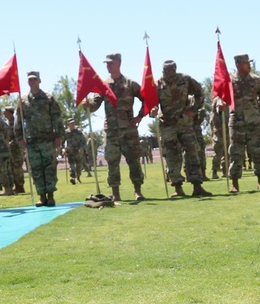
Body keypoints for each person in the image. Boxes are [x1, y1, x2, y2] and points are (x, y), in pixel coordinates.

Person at [83, 53, 145, 201]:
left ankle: (137, 191)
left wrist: (140, 116)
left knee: (134, 161)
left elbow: (147, 98)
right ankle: (116, 194)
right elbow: (95, 105)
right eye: (106, 63)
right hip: (111, 131)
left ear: (118, 63)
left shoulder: (130, 84)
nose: (108, 66)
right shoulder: (103, 85)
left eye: (110, 63)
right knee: (112, 162)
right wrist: (87, 106)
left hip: (129, 130)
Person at [156, 60, 210, 197]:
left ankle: (197, 185)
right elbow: (152, 102)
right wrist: (153, 110)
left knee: (192, 153)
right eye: (166, 72)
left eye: (171, 71)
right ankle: (177, 188)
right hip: (167, 124)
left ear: (175, 70)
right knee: (172, 156)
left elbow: (199, 92)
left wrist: (194, 109)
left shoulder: (185, 79)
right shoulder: (158, 84)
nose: (169, 75)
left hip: (185, 123)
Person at [15, 71, 63, 207]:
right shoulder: (23, 101)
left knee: (49, 168)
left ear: (39, 81)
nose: (32, 82)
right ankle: (41, 196)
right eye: (30, 80)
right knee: (36, 169)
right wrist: (19, 137)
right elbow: (18, 120)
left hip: (48, 139)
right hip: (31, 141)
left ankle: (51, 195)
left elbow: (57, 117)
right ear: (27, 82)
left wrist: (59, 135)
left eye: (35, 79)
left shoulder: (48, 98)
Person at [228, 54, 260, 193]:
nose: (249, 65)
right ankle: (234, 183)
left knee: (257, 151)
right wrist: (221, 103)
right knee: (236, 152)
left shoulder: (256, 80)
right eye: (246, 63)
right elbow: (220, 96)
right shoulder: (229, 81)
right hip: (236, 122)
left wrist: (256, 106)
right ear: (238, 65)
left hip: (253, 121)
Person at [2, 107, 26, 194]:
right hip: (9, 149)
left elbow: (19, 135)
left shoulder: (15, 122)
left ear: (10, 112)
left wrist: (11, 143)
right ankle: (16, 186)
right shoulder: (6, 122)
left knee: (17, 167)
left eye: (5, 111)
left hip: (16, 148)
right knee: (11, 168)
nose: (4, 113)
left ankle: (20, 186)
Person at [63, 118, 88, 183]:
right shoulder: (66, 133)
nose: (72, 124)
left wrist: (82, 148)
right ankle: (73, 178)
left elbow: (83, 141)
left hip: (78, 151)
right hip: (70, 151)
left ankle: (78, 177)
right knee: (71, 165)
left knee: (78, 165)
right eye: (71, 123)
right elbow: (62, 141)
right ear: (68, 124)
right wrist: (63, 148)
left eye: (73, 123)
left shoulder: (78, 132)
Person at [209, 97, 228, 180]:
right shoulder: (219, 99)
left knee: (226, 152)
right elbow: (220, 108)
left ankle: (225, 171)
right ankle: (215, 171)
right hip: (219, 131)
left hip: (225, 130)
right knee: (218, 152)